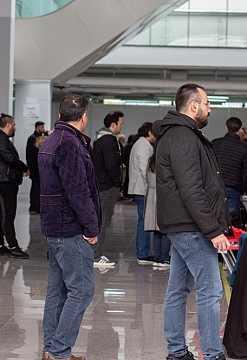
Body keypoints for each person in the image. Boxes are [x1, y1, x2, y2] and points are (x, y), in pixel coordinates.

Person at [154, 83, 230, 360]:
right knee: (210, 291)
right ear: (193, 106)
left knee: (178, 289)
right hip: (192, 227)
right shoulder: (184, 136)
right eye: (207, 103)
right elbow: (191, 188)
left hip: (183, 225)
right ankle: (212, 354)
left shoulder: (177, 135)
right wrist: (212, 229)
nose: (210, 109)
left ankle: (176, 351)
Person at [38, 94, 100, 360]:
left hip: (55, 226)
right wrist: (91, 226)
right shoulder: (69, 143)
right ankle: (60, 349)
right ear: (84, 117)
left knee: (59, 290)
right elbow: (77, 191)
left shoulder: (52, 138)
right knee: (82, 290)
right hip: (69, 227)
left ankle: (52, 349)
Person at [0, 114, 30, 259]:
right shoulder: (0, 138)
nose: (15, 128)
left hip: (2, 181)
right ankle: (13, 247)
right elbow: (10, 159)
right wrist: (24, 168)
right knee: (7, 215)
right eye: (14, 125)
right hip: (1, 182)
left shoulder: (0, 138)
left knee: (0, 214)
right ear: (9, 125)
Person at [92, 111, 124, 267]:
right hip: (107, 187)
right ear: (113, 125)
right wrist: (117, 182)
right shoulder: (109, 140)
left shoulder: (99, 140)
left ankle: (94, 253)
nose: (121, 126)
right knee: (103, 221)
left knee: (100, 220)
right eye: (121, 123)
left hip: (100, 184)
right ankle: (95, 255)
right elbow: (112, 165)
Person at [211, 117, 247, 224]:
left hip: (214, 186)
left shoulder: (214, 143)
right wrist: (241, 189)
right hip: (233, 188)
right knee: (232, 221)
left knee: (214, 219)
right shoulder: (244, 147)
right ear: (239, 130)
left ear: (226, 128)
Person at [128, 121, 158, 265]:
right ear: (150, 133)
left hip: (140, 188)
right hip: (143, 189)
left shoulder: (140, 144)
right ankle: (143, 253)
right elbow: (146, 169)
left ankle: (143, 251)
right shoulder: (144, 146)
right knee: (144, 222)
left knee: (143, 220)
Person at [144, 149, 170, 267]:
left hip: (151, 193)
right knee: (165, 228)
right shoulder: (166, 161)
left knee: (155, 229)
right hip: (163, 194)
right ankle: (164, 257)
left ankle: (157, 256)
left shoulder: (151, 161)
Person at [26, 121, 45, 214]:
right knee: (36, 187)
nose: (43, 129)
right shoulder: (33, 139)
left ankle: (35, 205)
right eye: (42, 127)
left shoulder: (38, 138)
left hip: (37, 167)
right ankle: (34, 205)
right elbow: (30, 154)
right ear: (37, 127)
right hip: (35, 167)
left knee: (36, 187)